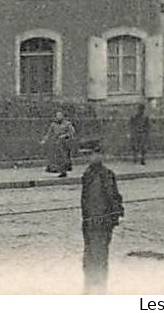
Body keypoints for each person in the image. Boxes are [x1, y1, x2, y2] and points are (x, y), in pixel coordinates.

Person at [79, 138, 124, 293]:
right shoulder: (88, 175)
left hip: (102, 223)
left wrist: (113, 218)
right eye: (89, 155)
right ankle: (89, 287)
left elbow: (114, 197)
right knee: (89, 257)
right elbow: (84, 201)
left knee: (100, 257)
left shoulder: (106, 175)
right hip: (90, 223)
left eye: (95, 154)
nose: (92, 158)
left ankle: (100, 290)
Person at [42, 110, 77, 177]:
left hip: (65, 142)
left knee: (64, 156)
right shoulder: (53, 125)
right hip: (56, 142)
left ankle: (64, 169)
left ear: (63, 116)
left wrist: (65, 135)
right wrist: (44, 140)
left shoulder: (67, 124)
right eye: (57, 116)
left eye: (60, 115)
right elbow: (49, 133)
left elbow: (72, 132)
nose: (58, 117)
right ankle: (56, 168)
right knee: (56, 156)